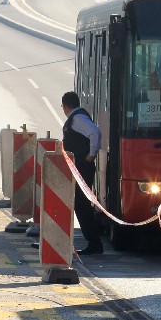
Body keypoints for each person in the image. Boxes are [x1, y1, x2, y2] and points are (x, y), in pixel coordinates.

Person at [61, 91, 104, 255]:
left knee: (82, 205)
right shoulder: (76, 116)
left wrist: (90, 155)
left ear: (64, 106)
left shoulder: (77, 118)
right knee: (81, 204)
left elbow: (95, 132)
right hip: (79, 167)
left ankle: (94, 242)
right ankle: (94, 239)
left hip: (82, 167)